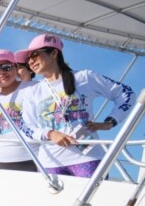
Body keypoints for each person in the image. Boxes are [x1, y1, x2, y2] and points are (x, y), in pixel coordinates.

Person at [17, 33, 133, 177]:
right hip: (49, 163)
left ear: (54, 53)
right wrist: (50, 134)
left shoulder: (84, 77)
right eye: (28, 59)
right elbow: (26, 126)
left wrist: (110, 122)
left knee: (93, 199)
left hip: (88, 159)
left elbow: (126, 93)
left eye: (34, 55)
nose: (30, 62)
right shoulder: (32, 92)